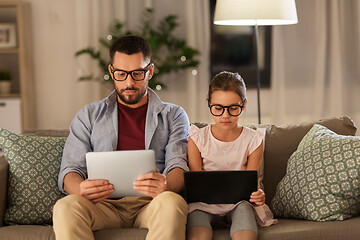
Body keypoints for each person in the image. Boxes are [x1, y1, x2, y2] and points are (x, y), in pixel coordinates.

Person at [52, 35, 190, 240]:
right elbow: (70, 170)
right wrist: (80, 187)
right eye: (121, 74)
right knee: (65, 206)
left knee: (173, 202)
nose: (129, 82)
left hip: (151, 203)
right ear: (111, 71)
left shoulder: (174, 115)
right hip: (101, 205)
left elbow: (178, 166)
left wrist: (166, 185)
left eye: (137, 73)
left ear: (150, 71)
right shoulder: (88, 115)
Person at [187, 71, 272, 240]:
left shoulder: (254, 140)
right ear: (209, 104)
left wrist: (258, 194)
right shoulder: (197, 138)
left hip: (239, 203)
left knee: (246, 235)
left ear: (244, 104)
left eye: (233, 108)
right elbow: (196, 185)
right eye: (218, 108)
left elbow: (252, 184)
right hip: (203, 205)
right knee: (199, 235)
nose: (225, 116)